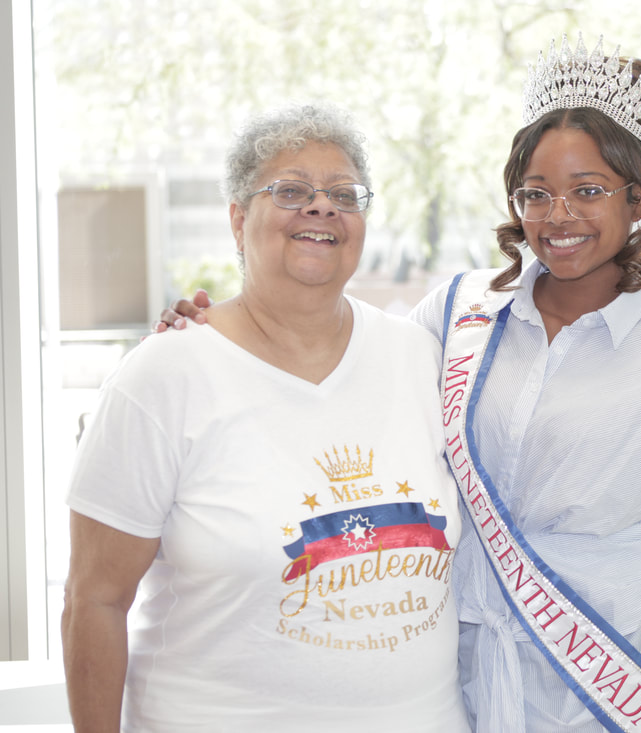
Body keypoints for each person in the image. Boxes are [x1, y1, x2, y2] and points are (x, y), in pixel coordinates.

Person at [161, 33, 641, 733]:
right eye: (536, 194)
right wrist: (220, 330)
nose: (559, 215)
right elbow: (339, 358)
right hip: (457, 671)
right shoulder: (459, 312)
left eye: (589, 191)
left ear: (636, 201)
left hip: (599, 682)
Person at [61, 103, 471, 732]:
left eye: (344, 194)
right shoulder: (163, 376)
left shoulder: (422, 357)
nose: (321, 207)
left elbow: (510, 486)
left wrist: (636, 558)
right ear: (236, 219)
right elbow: (93, 600)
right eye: (290, 190)